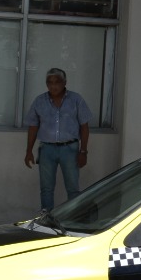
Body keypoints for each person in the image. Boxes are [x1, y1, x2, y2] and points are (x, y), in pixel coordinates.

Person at [23, 68, 93, 211]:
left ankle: (73, 219)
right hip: (47, 149)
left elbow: (84, 127)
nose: (53, 86)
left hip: (70, 149)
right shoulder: (39, 101)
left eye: (57, 82)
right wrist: (29, 151)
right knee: (46, 188)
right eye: (49, 82)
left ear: (65, 83)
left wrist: (83, 151)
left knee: (73, 188)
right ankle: (47, 219)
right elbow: (33, 127)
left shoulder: (76, 100)